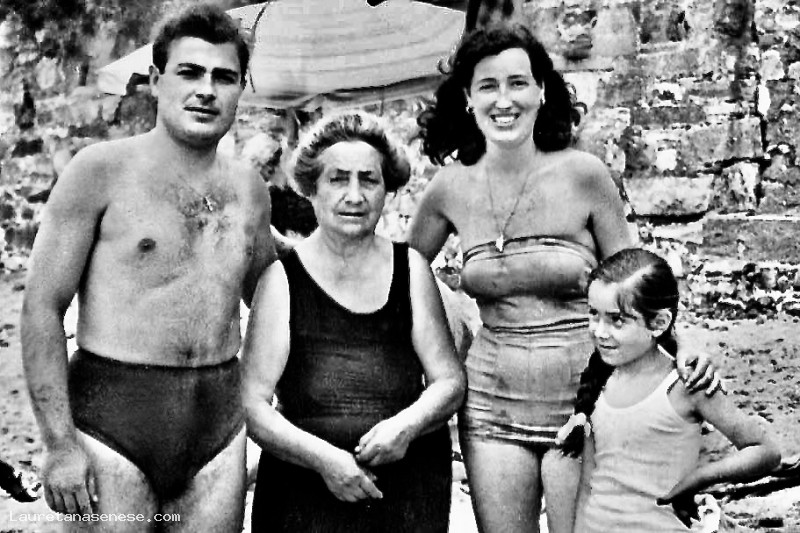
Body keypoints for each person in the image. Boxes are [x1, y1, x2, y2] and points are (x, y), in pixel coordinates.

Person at [407, 22, 718, 533]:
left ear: (542, 91)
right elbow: (402, 273)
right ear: (467, 98)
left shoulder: (584, 174)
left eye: (517, 83)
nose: (503, 100)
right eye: (487, 85)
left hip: (585, 402)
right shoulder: (448, 187)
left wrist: (682, 349)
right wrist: (444, 337)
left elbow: (637, 283)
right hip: (490, 406)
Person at [21, 5, 274, 530]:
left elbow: (272, 295)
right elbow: (42, 306)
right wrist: (60, 444)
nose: (206, 90)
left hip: (218, 427)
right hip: (113, 420)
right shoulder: (99, 170)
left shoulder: (249, 188)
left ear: (240, 90)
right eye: (190, 72)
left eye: (224, 77)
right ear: (157, 81)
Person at [242, 111, 466, 532]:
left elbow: (449, 381)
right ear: (311, 188)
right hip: (303, 493)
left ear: (387, 189)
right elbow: (252, 404)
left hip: (405, 491)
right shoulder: (282, 280)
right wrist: (324, 460)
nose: (354, 195)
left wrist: (405, 427)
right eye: (338, 179)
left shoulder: (412, 269)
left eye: (369, 180)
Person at [558, 248, 781, 532]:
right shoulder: (599, 382)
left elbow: (765, 451)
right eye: (594, 314)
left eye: (617, 320)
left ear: (659, 323)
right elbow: (588, 486)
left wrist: (700, 478)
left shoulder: (686, 385)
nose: (600, 331)